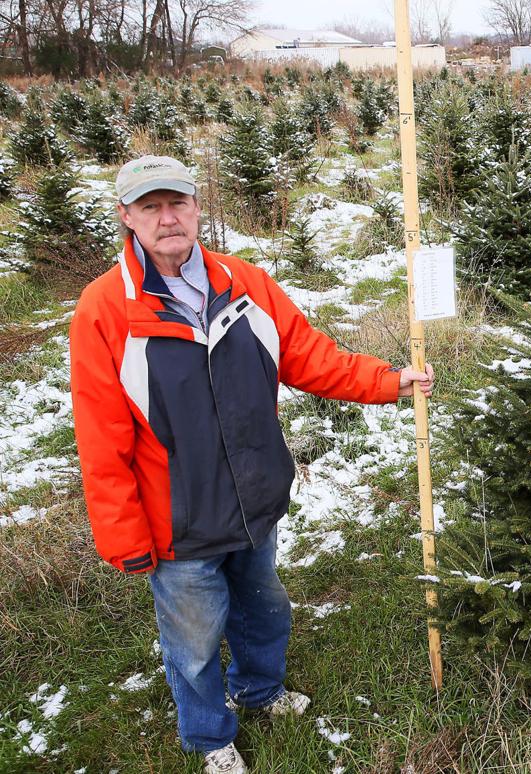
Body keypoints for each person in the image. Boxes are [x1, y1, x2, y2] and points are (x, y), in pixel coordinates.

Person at [68, 155, 434, 774]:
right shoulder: (105, 310)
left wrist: (387, 381)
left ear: (196, 207)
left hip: (254, 498)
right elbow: (101, 438)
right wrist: (123, 534)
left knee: (264, 608)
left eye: (177, 203)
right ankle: (209, 736)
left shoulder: (245, 283)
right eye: (151, 207)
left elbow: (308, 355)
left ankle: (260, 689)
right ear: (127, 217)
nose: (167, 218)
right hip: (178, 522)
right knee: (193, 641)